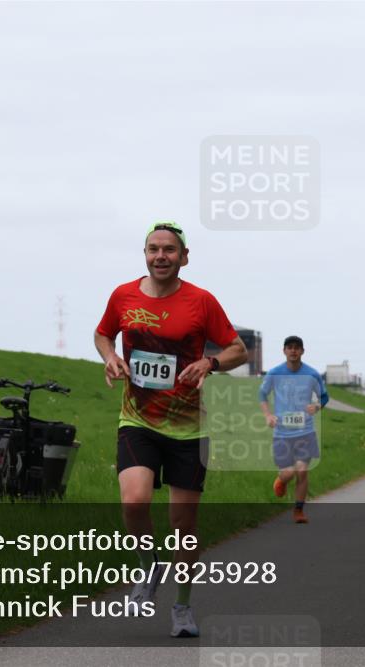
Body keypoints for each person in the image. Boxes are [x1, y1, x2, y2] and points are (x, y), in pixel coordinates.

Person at [94, 220, 247, 638]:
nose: (161, 256)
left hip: (189, 428)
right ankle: (149, 567)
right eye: (153, 249)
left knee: (183, 525)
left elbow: (238, 349)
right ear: (145, 254)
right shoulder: (123, 295)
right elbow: (104, 333)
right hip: (138, 418)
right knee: (134, 502)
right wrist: (109, 356)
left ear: (184, 257)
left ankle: (182, 606)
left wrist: (210, 363)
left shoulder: (202, 301)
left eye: (169, 250)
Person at [259, 335, 329, 524]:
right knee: (288, 473)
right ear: (284, 351)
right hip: (282, 433)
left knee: (302, 470)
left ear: (302, 351)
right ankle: (281, 480)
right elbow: (262, 395)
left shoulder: (312, 374)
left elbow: (324, 397)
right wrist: (268, 415)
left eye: (297, 347)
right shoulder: (274, 373)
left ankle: (298, 510)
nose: (293, 350)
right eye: (289, 347)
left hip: (305, 431)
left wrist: (317, 407)